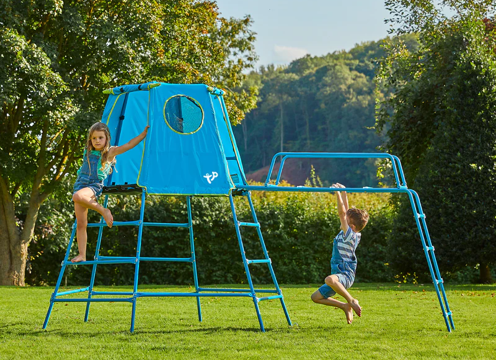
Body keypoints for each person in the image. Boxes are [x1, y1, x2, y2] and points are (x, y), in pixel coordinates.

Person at [71, 122, 149, 263]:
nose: (97, 141)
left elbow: (129, 145)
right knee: (81, 224)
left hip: (94, 186)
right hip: (80, 185)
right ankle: (82, 254)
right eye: (94, 138)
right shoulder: (87, 151)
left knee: (77, 196)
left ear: (106, 138)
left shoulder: (109, 152)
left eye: (100, 137)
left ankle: (104, 211)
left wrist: (143, 135)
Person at [311, 183, 369, 324]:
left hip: (344, 274)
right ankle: (345, 306)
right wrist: (344, 193)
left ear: (351, 226)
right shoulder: (352, 232)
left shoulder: (349, 235)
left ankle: (351, 300)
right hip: (339, 274)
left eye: (346, 221)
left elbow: (342, 213)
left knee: (329, 280)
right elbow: (347, 213)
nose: (342, 220)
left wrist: (336, 193)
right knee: (316, 297)